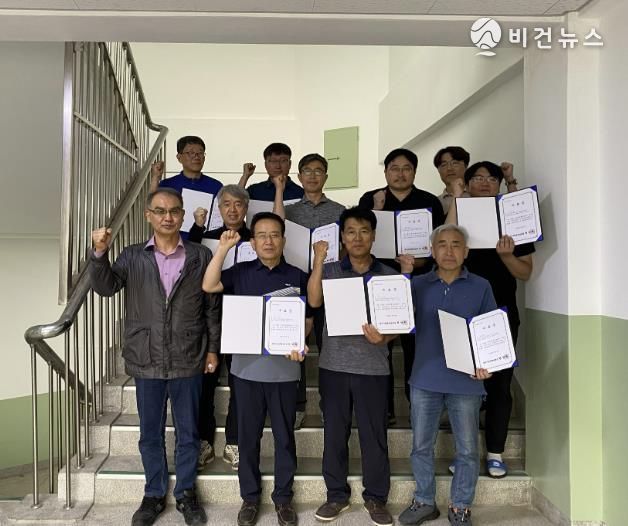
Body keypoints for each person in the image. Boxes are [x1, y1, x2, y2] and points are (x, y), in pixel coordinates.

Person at [90, 187, 220, 526]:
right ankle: (154, 493)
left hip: (188, 354)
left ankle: (186, 493)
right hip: (145, 355)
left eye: (174, 211)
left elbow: (211, 307)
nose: (168, 217)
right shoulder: (133, 256)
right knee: (150, 434)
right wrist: (99, 253)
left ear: (182, 215)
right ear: (148, 215)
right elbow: (105, 287)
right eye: (160, 211)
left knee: (189, 433)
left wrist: (212, 349)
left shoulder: (199, 255)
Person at [202, 212, 313, 526]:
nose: (268, 241)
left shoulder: (297, 275)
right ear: (252, 243)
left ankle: (283, 498)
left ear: (283, 240)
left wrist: (301, 341)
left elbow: (306, 320)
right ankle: (250, 498)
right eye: (262, 235)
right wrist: (223, 248)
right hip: (246, 371)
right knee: (247, 439)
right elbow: (209, 284)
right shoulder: (240, 272)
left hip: (285, 372)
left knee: (284, 438)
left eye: (274, 235)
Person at [308, 207, 412, 526]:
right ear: (342, 236)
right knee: (334, 434)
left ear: (374, 236)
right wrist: (318, 261)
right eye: (351, 231)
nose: (357, 237)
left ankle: (376, 497)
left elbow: (402, 322)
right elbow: (314, 301)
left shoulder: (389, 274)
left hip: (374, 368)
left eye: (364, 231)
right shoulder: (330, 270)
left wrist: (385, 338)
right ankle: (336, 495)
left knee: (374, 435)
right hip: (334, 366)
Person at [399, 224, 495, 526]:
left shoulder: (481, 286)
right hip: (424, 378)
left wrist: (486, 363)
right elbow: (398, 318)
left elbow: (490, 331)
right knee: (420, 446)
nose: (449, 250)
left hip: (467, 381)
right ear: (432, 250)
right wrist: (404, 277)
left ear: (466, 252)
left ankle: (461, 505)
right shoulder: (417, 284)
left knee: (467, 450)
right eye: (442, 244)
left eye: (456, 244)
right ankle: (424, 500)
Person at [446, 161, 534, 479]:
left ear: (499, 184)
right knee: (462, 386)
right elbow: (445, 242)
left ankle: (495, 453)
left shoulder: (511, 220)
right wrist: (457, 198)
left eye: (491, 178)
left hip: (501, 314)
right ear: (468, 183)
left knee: (499, 385)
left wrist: (507, 256)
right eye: (478, 178)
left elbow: (525, 272)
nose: (485, 182)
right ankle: (464, 453)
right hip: (462, 313)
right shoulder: (462, 217)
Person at [358, 148, 445, 422]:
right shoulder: (371, 198)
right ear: (385, 172)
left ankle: (416, 405)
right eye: (394, 168)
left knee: (414, 346)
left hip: (419, 282)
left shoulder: (429, 201)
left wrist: (422, 261)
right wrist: (376, 209)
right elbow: (361, 237)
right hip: (379, 282)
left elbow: (439, 243)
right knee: (379, 346)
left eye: (406, 168)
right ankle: (384, 408)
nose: (400, 173)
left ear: (415, 172)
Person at [273, 153, 345, 430]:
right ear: (299, 176)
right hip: (296, 284)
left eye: (318, 171)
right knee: (295, 343)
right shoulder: (290, 211)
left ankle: (330, 405)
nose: (313, 175)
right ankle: (298, 405)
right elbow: (276, 227)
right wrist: (280, 190)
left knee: (329, 347)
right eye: (307, 171)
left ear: (326, 176)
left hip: (330, 285)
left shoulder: (340, 211)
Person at [189, 184, 251, 472]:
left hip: (245, 319)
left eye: (238, 204)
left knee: (241, 384)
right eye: (227, 204)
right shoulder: (206, 238)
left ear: (246, 208)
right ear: (219, 208)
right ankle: (203, 441)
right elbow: (190, 265)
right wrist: (197, 228)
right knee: (205, 383)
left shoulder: (257, 238)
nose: (233, 209)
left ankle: (234, 442)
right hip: (208, 318)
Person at [150, 136, 223, 239]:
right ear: (179, 157)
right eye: (191, 153)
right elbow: (151, 207)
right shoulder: (167, 185)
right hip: (172, 241)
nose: (196, 157)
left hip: (206, 243)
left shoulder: (216, 186)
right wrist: (155, 177)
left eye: (200, 153)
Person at [433, 146, 519, 214]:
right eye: (443, 165)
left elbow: (515, 208)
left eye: (455, 163)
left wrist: (509, 179)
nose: (449, 168)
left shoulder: (480, 192)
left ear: (466, 166)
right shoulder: (434, 202)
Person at [238, 142, 304, 202]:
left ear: (289, 164)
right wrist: (245, 176)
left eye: (283, 161)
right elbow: (235, 201)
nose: (278, 166)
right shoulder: (254, 190)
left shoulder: (301, 193)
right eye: (273, 161)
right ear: (265, 165)